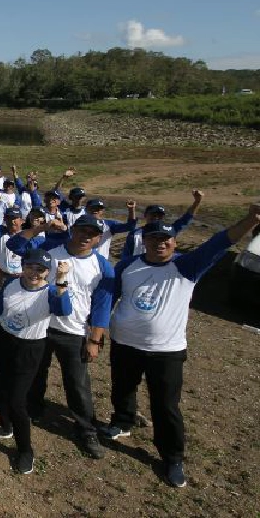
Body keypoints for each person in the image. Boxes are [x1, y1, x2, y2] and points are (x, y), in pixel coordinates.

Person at [103, 204, 260, 488]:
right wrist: (98, 329)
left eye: (166, 239)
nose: (160, 243)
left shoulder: (187, 266)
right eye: (154, 238)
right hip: (125, 342)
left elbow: (220, 242)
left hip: (166, 350)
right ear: (145, 240)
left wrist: (250, 220)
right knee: (122, 386)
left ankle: (172, 457)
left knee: (165, 405)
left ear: (174, 242)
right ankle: (122, 421)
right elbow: (110, 297)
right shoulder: (128, 265)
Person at [6, 215, 114, 459]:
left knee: (77, 382)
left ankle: (86, 428)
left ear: (98, 238)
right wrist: (41, 228)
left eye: (92, 233)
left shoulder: (102, 266)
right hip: (41, 324)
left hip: (74, 330)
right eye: (82, 230)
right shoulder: (51, 251)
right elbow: (15, 246)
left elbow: (102, 306)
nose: (86, 236)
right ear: (72, 230)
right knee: (35, 371)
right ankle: (33, 408)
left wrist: (95, 339)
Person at [0, 249, 72, 474]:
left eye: (40, 270)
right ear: (23, 266)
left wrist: (61, 282)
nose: (34, 273)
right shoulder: (11, 284)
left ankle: (25, 450)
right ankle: (4, 426)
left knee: (17, 400)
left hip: (29, 347)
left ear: (47, 273)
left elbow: (64, 310)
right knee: (0, 387)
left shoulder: (51, 291)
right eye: (30, 266)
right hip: (3, 340)